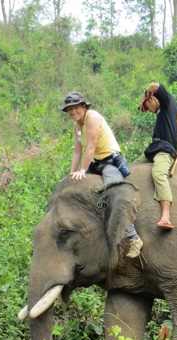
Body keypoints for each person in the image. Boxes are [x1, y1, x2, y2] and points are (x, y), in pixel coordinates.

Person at [60, 91, 143, 258]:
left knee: (115, 194)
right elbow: (77, 152)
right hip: (96, 163)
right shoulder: (77, 126)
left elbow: (90, 147)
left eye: (76, 108)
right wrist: (71, 174)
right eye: (69, 109)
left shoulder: (92, 117)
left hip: (110, 161)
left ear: (84, 107)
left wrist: (83, 171)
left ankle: (133, 237)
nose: (73, 112)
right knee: (73, 187)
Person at [134, 82, 177, 230]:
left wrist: (148, 91)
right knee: (131, 169)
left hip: (165, 150)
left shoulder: (167, 103)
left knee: (159, 173)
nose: (149, 110)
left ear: (153, 98)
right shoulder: (161, 112)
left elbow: (155, 85)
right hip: (153, 149)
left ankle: (166, 215)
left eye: (147, 106)